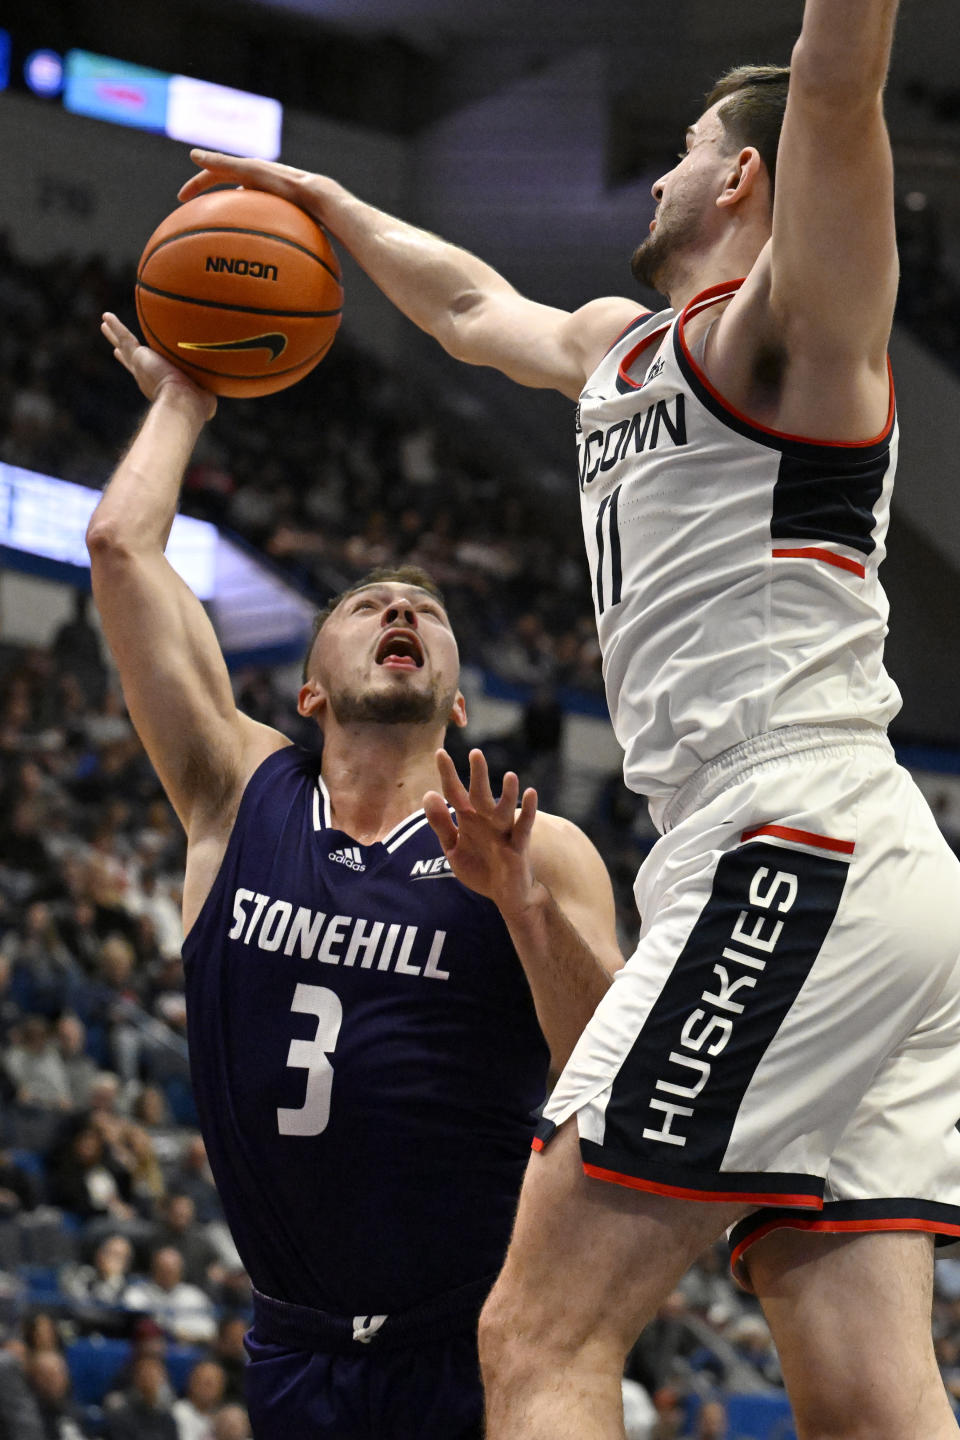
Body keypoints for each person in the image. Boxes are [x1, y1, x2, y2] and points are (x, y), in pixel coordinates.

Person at [173, 1, 960, 1436]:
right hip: (840, 864)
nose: (655, 173)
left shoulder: (796, 323)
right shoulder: (620, 348)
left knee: (537, 1331)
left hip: (792, 839)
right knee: (864, 1390)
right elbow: (472, 309)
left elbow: (838, 85)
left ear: (745, 174)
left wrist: (831, 55)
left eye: (682, 147)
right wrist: (337, 206)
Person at [86, 321, 621, 1440]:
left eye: (426, 612)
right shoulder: (234, 793)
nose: (401, 613)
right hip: (295, 1348)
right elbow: (121, 550)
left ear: (459, 702)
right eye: (369, 605)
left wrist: (519, 903)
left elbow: (607, 1084)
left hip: (474, 1348)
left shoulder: (539, 846)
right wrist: (183, 403)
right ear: (310, 691)